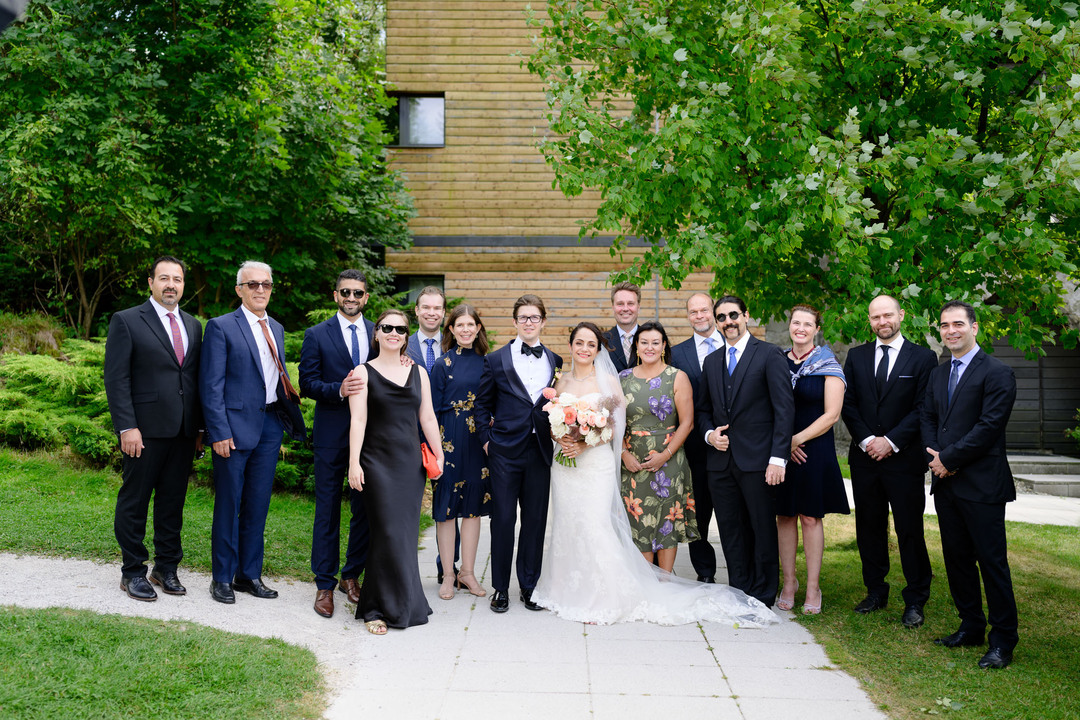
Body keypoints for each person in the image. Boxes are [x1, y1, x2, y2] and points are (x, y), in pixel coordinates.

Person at [531, 322, 776, 627]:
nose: (584, 349)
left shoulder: (609, 380)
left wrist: (584, 442)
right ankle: (568, 589)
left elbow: (613, 425)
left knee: (598, 525)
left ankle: (607, 593)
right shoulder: (562, 382)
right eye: (579, 343)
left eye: (591, 344)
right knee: (569, 524)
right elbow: (553, 420)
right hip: (567, 467)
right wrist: (563, 438)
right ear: (570, 346)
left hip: (596, 463)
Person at [200, 261, 306, 605]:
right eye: (253, 284)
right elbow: (211, 385)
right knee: (229, 505)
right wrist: (218, 431)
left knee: (257, 506)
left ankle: (248, 575)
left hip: (269, 428)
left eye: (267, 284)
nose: (261, 290)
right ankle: (222, 578)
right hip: (231, 431)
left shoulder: (275, 326)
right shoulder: (220, 327)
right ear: (239, 290)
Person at [922, 300, 1018, 670]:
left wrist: (949, 459)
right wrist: (936, 457)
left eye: (958, 324)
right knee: (958, 560)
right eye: (945, 325)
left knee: (992, 563)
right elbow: (927, 416)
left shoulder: (997, 372)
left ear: (975, 327)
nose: (951, 331)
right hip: (946, 484)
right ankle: (971, 626)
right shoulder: (939, 372)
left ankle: (1003, 639)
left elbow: (988, 427)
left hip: (982, 485)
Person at [104, 256, 202, 601]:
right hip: (142, 433)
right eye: (164, 278)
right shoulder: (127, 321)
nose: (170, 284)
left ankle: (166, 567)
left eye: (177, 279)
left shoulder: (193, 325)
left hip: (183, 431)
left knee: (172, 503)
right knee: (135, 502)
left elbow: (192, 379)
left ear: (183, 285)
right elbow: (116, 379)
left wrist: (200, 427)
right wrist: (126, 426)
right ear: (150, 282)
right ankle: (132, 571)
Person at [842, 294, 936, 628]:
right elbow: (848, 403)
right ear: (869, 321)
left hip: (904, 459)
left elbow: (924, 408)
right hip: (866, 458)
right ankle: (875, 592)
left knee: (909, 528)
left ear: (901, 315)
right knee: (869, 526)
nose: (882, 322)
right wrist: (868, 440)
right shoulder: (856, 356)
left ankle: (915, 599)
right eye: (875, 317)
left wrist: (891, 442)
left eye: (887, 316)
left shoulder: (923, 358)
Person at [347, 309, 444, 634]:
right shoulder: (362, 371)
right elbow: (358, 420)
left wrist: (440, 454)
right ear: (377, 333)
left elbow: (427, 417)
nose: (394, 333)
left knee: (403, 534)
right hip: (376, 463)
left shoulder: (418, 372)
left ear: (406, 335)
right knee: (385, 532)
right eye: (387, 328)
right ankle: (376, 608)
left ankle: (406, 601)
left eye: (400, 329)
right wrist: (354, 462)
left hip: (409, 465)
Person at [695, 295, 794, 607]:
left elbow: (784, 409)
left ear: (746, 316)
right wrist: (710, 435)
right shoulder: (711, 362)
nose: (728, 322)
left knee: (761, 527)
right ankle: (738, 588)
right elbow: (702, 411)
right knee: (730, 529)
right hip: (721, 463)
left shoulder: (768, 354)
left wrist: (778, 458)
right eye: (722, 317)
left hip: (759, 460)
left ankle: (763, 593)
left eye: (733, 315)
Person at [475, 294, 562, 613]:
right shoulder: (495, 360)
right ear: (514, 322)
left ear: (543, 321)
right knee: (503, 519)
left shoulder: (555, 360)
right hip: (503, 452)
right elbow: (482, 404)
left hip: (539, 450)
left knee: (535, 520)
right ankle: (500, 588)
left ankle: (529, 585)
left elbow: (553, 404)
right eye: (523, 318)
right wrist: (487, 439)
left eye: (534, 318)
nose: (528, 323)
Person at [298, 269, 374, 618]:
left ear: (366, 298)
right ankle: (324, 584)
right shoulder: (316, 335)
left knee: (364, 511)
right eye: (345, 292)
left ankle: (351, 576)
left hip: (371, 436)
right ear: (335, 295)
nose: (351, 298)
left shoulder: (379, 332)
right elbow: (308, 383)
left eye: (358, 293)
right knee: (327, 510)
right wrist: (337, 390)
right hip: (331, 435)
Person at [775, 305, 849, 615]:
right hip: (780, 448)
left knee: (809, 516)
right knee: (784, 515)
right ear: (789, 326)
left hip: (813, 448)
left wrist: (796, 439)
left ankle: (814, 586)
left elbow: (832, 414)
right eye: (796, 322)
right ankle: (789, 582)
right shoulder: (777, 361)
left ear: (816, 329)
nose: (801, 328)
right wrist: (783, 443)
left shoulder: (827, 364)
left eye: (808, 323)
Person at [619, 321, 697, 572]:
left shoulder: (677, 376)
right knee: (638, 519)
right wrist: (623, 453)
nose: (649, 347)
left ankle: (664, 582)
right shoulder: (623, 379)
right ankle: (645, 584)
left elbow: (687, 423)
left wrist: (665, 455)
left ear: (663, 345)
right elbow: (615, 422)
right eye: (644, 342)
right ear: (636, 346)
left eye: (655, 342)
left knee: (666, 520)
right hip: (632, 461)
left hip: (669, 460)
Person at [429, 304, 491, 601]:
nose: (466, 329)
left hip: (478, 440)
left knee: (473, 509)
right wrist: (433, 448)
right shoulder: (442, 365)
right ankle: (448, 575)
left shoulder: (489, 363)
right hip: (448, 439)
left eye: (471, 324)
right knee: (446, 510)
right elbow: (429, 411)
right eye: (460, 325)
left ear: (478, 328)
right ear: (451, 329)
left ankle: (468, 572)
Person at [404, 285, 458, 582]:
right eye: (426, 307)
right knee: (408, 505)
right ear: (417, 310)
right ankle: (405, 571)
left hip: (449, 436)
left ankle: (447, 569)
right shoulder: (400, 343)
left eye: (438, 308)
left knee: (450, 502)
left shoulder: (456, 344)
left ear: (443, 312)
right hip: (408, 435)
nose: (432, 312)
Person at [669, 293, 724, 583]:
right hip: (694, 449)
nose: (699, 315)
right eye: (693, 311)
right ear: (688, 316)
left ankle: (742, 570)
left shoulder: (732, 343)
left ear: (713, 312)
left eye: (704, 310)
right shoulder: (677, 354)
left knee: (733, 514)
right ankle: (705, 573)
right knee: (697, 513)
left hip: (733, 445)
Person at [603, 281, 641, 372]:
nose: (625, 309)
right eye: (620, 304)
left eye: (630, 303)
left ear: (638, 307)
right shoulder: (601, 341)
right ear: (613, 307)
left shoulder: (652, 340)